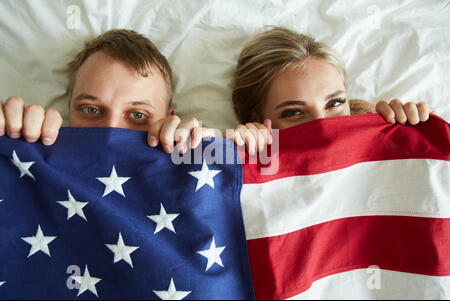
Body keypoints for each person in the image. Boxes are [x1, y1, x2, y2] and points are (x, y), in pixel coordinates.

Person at [227, 27, 435, 154]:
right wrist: (232, 153)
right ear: (258, 118)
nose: (323, 124)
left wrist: (421, 137)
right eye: (293, 112)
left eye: (335, 103)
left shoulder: (389, 140)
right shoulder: (245, 159)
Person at [0, 29, 209, 154]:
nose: (110, 130)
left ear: (169, 118)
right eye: (91, 110)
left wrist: (210, 150)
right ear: (69, 107)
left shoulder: (189, 162)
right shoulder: (31, 155)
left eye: (138, 115)